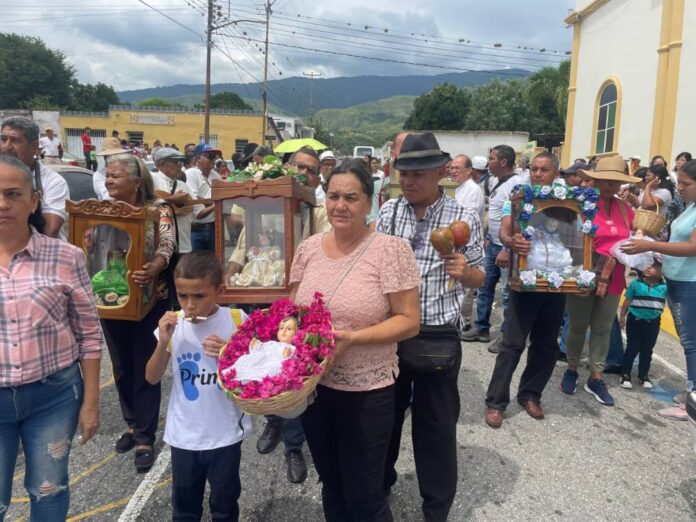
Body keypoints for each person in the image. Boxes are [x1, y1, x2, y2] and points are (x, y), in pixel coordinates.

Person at [290, 158, 420, 521]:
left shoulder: (390, 250)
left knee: (364, 495)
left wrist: (353, 338)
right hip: (315, 389)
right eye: (333, 196)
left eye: (351, 197)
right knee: (331, 483)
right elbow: (291, 310)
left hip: (368, 392)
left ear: (369, 202)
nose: (340, 205)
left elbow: (409, 321)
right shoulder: (310, 248)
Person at [378, 132, 484, 521]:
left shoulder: (464, 218)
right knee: (383, 418)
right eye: (403, 171)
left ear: (441, 172)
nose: (408, 180)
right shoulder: (389, 212)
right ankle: (380, 484)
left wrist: (466, 271)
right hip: (390, 331)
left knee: (435, 428)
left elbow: (481, 277)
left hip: (437, 334)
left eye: (419, 172)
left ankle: (436, 508)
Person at [0, 155, 102, 520]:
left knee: (49, 489)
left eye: (13, 193)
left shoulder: (66, 257)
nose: (3, 204)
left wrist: (91, 402)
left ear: (34, 200)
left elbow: (89, 334)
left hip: (53, 397)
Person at [146, 252, 251, 521]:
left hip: (225, 433)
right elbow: (151, 377)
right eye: (183, 296)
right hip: (184, 435)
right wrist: (162, 343)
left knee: (225, 506)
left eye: (199, 296)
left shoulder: (238, 321)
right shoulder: (172, 325)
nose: (190, 305)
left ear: (220, 291)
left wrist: (230, 353)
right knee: (184, 509)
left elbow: (254, 378)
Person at [99, 153, 177, 472]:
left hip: (148, 298)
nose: (109, 180)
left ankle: (145, 436)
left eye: (116, 176)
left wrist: (152, 268)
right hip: (111, 299)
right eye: (107, 175)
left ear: (136, 181)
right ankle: (131, 424)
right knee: (120, 365)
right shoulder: (100, 211)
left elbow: (166, 247)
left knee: (145, 366)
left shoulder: (159, 210)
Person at [484, 152, 567, 428]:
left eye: (544, 169)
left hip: (556, 282)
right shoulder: (519, 197)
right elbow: (504, 232)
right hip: (525, 282)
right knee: (512, 344)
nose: (537, 174)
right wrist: (511, 242)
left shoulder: (567, 200)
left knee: (546, 345)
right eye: (534, 169)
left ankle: (530, 394)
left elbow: (577, 234)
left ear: (555, 172)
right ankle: (496, 402)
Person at [560, 156, 639, 406]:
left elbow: (637, 235)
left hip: (613, 276)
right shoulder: (580, 205)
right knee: (577, 325)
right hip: (582, 273)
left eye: (616, 182)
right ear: (595, 179)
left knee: (603, 327)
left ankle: (596, 375)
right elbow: (567, 238)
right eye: (606, 180)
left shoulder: (626, 210)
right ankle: (572, 368)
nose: (610, 186)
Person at [621, 159, 696, 420]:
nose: (680, 189)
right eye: (680, 183)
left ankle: (692, 401)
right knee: (689, 341)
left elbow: (693, 248)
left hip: (690, 284)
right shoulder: (690, 206)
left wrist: (651, 248)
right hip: (678, 281)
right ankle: (691, 393)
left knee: (691, 343)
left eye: (686, 184)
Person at [462, 145, 521, 348]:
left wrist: (506, 247)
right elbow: (493, 213)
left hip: (506, 248)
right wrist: (488, 236)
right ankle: (481, 327)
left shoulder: (517, 184)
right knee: (484, 286)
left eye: (492, 158)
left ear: (503, 162)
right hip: (492, 244)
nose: (488, 162)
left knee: (506, 292)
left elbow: (518, 217)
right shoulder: (496, 181)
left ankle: (506, 336)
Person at [0, 117, 70, 239]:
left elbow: (50, 230)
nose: (7, 146)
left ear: (34, 146)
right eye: (3, 139)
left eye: (15, 140)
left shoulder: (53, 182)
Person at [618, 256, 667, 390]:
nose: (648, 267)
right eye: (647, 265)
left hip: (653, 322)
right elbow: (627, 301)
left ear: (663, 271)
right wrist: (622, 316)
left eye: (654, 266)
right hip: (635, 320)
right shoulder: (636, 284)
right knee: (632, 347)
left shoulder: (664, 287)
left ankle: (643, 375)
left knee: (647, 349)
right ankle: (625, 374)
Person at [152, 147, 197, 254]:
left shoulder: (184, 186)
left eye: (181, 163)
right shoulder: (151, 179)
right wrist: (172, 200)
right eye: (177, 162)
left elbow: (195, 211)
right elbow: (144, 205)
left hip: (183, 246)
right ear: (161, 163)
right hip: (159, 248)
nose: (180, 166)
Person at [186, 144, 222, 252]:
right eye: (209, 156)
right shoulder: (190, 174)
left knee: (212, 264)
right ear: (198, 158)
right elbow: (198, 212)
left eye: (214, 157)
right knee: (195, 265)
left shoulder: (215, 176)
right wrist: (216, 203)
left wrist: (208, 203)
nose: (212, 159)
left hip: (214, 227)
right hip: (196, 230)